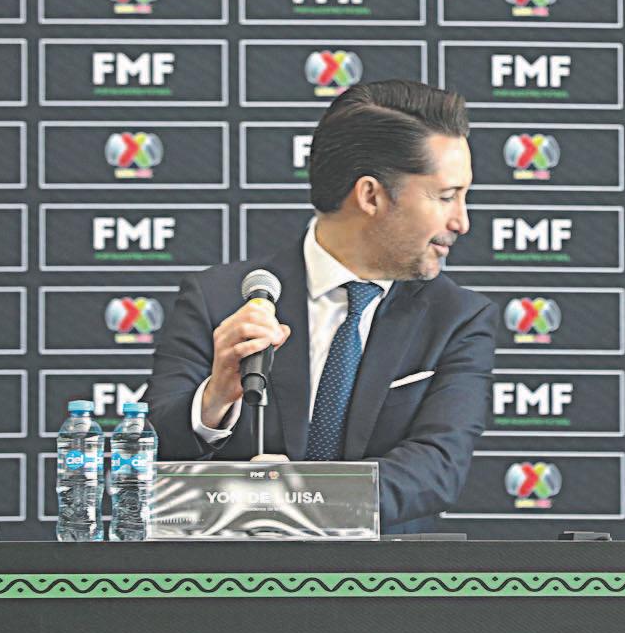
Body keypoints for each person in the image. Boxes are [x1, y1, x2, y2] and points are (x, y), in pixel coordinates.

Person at [146, 80, 494, 533]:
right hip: (238, 574)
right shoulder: (217, 299)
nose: (462, 221)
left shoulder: (457, 318)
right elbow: (150, 456)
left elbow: (434, 471)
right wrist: (214, 400)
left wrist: (288, 499)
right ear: (370, 196)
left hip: (385, 575)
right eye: (446, 197)